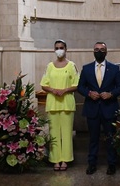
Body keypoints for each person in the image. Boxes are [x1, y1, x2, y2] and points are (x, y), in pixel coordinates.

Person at [77, 41, 120, 175]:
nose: (99, 51)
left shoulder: (114, 68)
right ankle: (92, 164)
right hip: (92, 109)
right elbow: (80, 87)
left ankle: (112, 164)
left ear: (106, 52)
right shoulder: (86, 68)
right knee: (93, 138)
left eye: (102, 49)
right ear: (93, 51)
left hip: (109, 109)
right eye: (96, 49)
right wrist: (89, 93)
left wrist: (111, 94)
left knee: (111, 138)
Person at [40, 40, 79, 171]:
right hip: (52, 103)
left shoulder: (72, 66)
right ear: (54, 50)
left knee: (67, 133)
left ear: (66, 49)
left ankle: (65, 159)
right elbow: (44, 84)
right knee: (54, 133)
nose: (59, 50)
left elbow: (76, 84)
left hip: (67, 103)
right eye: (57, 48)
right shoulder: (49, 66)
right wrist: (52, 90)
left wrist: (65, 90)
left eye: (61, 47)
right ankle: (55, 159)